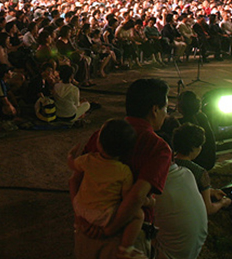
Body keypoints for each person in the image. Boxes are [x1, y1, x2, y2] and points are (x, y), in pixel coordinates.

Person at [71, 78, 172, 258]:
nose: (167, 114)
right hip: (124, 238)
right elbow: (136, 196)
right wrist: (109, 230)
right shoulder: (158, 147)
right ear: (155, 110)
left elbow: (75, 179)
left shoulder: (102, 134)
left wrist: (81, 218)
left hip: (86, 231)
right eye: (166, 108)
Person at [68, 119, 146, 259]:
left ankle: (76, 226)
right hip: (103, 216)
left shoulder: (88, 159)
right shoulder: (124, 171)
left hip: (80, 208)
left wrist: (71, 155)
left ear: (98, 143)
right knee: (138, 214)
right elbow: (127, 198)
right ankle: (125, 249)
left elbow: (73, 166)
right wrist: (147, 201)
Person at [171, 123, 231, 215]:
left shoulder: (168, 164)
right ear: (194, 148)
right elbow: (208, 209)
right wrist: (223, 203)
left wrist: (211, 192)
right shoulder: (199, 173)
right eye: (200, 146)